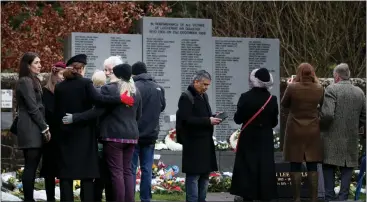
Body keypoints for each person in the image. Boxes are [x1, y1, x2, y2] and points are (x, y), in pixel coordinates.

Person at [53, 54, 134, 201]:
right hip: (84, 134)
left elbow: (56, 111)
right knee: (87, 175)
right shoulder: (85, 83)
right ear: (82, 69)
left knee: (66, 175)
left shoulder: (59, 87)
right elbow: (99, 100)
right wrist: (120, 99)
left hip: (65, 135)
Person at [230, 68, 279, 201]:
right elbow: (274, 122)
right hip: (265, 137)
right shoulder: (272, 99)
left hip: (249, 136)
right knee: (265, 165)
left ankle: (248, 194)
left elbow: (237, 119)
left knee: (248, 165)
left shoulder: (245, 97)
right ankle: (265, 194)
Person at [320, 63, 366, 201]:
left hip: (331, 138)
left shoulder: (331, 89)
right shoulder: (359, 92)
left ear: (336, 76)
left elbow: (327, 114)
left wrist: (321, 126)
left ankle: (329, 197)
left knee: (328, 168)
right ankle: (343, 198)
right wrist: (354, 127)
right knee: (347, 169)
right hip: (351, 138)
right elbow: (364, 116)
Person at [281, 63, 324, 202]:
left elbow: (284, 104)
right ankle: (314, 198)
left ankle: (297, 198)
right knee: (312, 164)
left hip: (295, 128)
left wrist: (290, 85)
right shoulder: (319, 88)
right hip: (312, 129)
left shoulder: (292, 87)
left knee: (295, 162)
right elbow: (322, 104)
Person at [176, 70, 220, 202]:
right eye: (204, 84)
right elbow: (186, 120)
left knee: (205, 176)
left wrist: (213, 117)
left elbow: (203, 115)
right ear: (196, 82)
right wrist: (208, 121)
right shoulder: (186, 97)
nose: (206, 87)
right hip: (193, 143)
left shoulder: (203, 96)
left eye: (208, 85)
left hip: (205, 143)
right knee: (193, 177)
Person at [15, 52, 51, 202]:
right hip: (30, 127)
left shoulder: (33, 80)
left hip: (33, 127)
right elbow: (32, 107)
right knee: (31, 165)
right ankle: (29, 199)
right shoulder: (25, 81)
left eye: (40, 62)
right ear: (28, 65)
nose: (40, 65)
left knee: (32, 165)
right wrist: (44, 127)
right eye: (36, 63)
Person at [131, 62, 166, 202]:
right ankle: (146, 198)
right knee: (147, 169)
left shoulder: (134, 87)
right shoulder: (158, 87)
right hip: (151, 134)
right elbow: (162, 107)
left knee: (131, 169)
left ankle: (130, 198)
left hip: (134, 133)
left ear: (134, 74)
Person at [41, 61, 66, 201]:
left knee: (63, 169)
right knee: (50, 170)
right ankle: (50, 197)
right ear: (54, 74)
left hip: (62, 134)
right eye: (61, 74)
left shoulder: (64, 91)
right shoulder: (45, 92)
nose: (62, 77)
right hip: (50, 135)